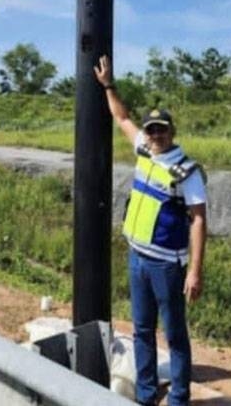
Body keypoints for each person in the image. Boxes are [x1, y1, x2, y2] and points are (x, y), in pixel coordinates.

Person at [95, 55, 207, 406]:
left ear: (172, 132)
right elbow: (122, 117)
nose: (156, 134)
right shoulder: (144, 150)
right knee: (141, 330)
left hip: (166, 265)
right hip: (137, 256)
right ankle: (144, 396)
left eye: (162, 129)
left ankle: (178, 398)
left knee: (174, 334)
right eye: (152, 129)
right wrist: (109, 84)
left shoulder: (186, 171)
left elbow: (199, 220)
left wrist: (195, 271)